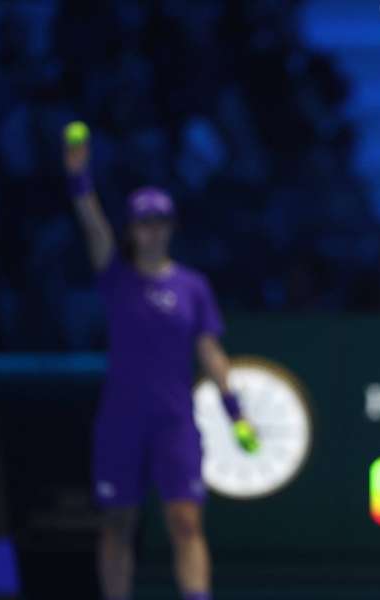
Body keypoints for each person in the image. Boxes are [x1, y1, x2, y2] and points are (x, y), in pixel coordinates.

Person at [62, 126, 259, 600]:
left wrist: (236, 414)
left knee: (186, 521)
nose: (153, 229)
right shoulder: (115, 277)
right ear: (132, 229)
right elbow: (92, 225)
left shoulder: (192, 287)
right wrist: (78, 179)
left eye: (160, 222)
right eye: (144, 222)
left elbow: (209, 351)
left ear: (170, 227)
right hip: (120, 422)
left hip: (174, 424)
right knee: (117, 523)